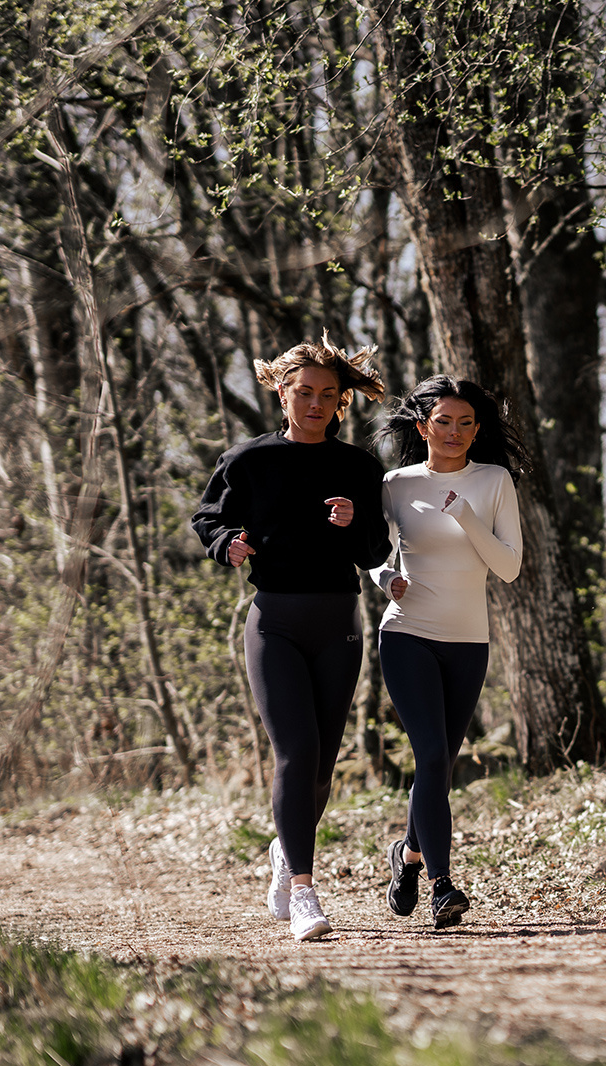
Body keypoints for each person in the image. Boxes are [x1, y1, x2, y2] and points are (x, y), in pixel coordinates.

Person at [192, 334, 390, 942]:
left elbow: (377, 550)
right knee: (295, 753)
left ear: (341, 402)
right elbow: (208, 517)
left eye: (327, 395)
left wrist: (355, 523)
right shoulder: (249, 460)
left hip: (339, 622)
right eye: (303, 392)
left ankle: (284, 850)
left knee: (323, 767)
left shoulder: (357, 467)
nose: (314, 403)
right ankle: (304, 889)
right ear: (282, 393)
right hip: (274, 620)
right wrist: (228, 543)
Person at [371, 375, 525, 929]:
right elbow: (373, 552)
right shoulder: (394, 483)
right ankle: (442, 885)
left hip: (468, 641)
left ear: (477, 429)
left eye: (465, 423)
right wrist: (386, 577)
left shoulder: (494, 481)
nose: (454, 432)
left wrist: (465, 517)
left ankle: (406, 855)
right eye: (443, 422)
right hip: (407, 631)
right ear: (423, 426)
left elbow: (508, 567)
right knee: (432, 756)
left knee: (440, 764)